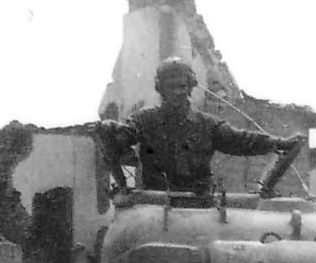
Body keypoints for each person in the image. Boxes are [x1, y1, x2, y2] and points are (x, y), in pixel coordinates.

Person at [96, 58, 301, 198]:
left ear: (191, 87)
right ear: (161, 89)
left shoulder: (208, 125)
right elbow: (122, 142)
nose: (178, 92)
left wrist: (278, 143)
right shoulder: (145, 120)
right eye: (171, 86)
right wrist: (111, 131)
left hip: (201, 205)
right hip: (156, 205)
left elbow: (241, 140)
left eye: (183, 86)